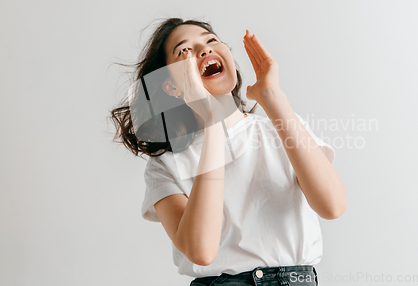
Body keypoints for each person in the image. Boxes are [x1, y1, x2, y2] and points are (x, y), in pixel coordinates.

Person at [110, 18, 347, 285]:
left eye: (211, 40)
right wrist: (211, 122)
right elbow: (201, 250)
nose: (205, 49)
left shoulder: (283, 127)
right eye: (184, 51)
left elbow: (332, 206)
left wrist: (273, 96)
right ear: (172, 87)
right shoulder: (165, 165)